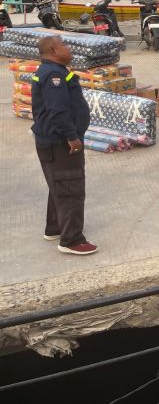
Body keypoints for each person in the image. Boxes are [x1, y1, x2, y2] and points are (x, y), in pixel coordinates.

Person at [31, 36, 97, 255]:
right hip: (60, 143)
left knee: (58, 185)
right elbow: (58, 110)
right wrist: (72, 136)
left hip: (51, 141)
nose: (68, 48)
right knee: (71, 189)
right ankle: (72, 240)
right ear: (53, 50)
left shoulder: (52, 71)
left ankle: (56, 228)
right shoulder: (54, 74)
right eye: (64, 45)